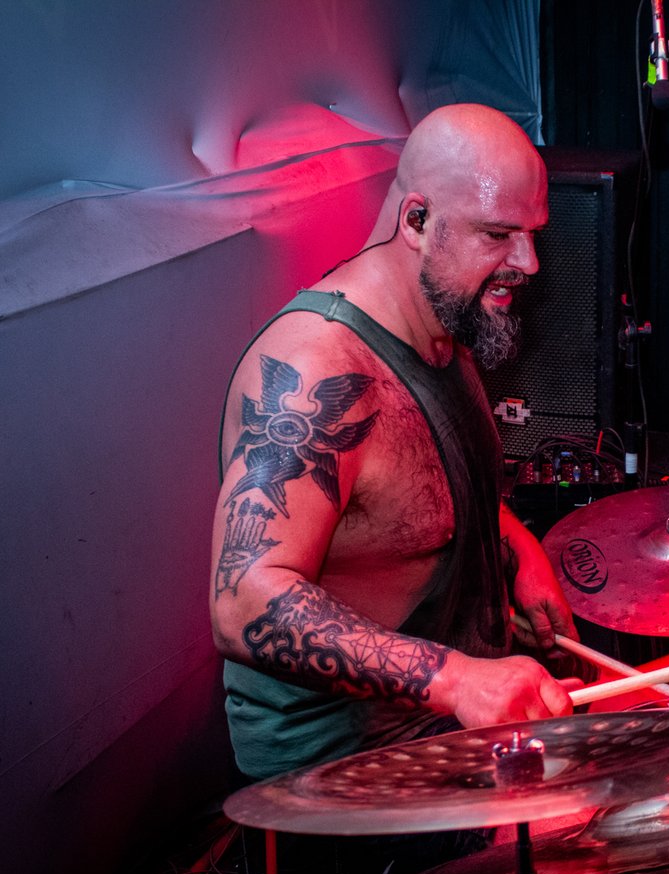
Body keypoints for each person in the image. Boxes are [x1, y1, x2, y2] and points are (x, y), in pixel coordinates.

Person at [209, 103, 580, 782]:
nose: (526, 262)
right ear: (416, 221)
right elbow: (244, 601)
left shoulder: (445, 320)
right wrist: (458, 679)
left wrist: (518, 552)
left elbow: (428, 492)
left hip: (436, 734)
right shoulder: (317, 372)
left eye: (532, 234)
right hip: (340, 776)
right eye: (498, 234)